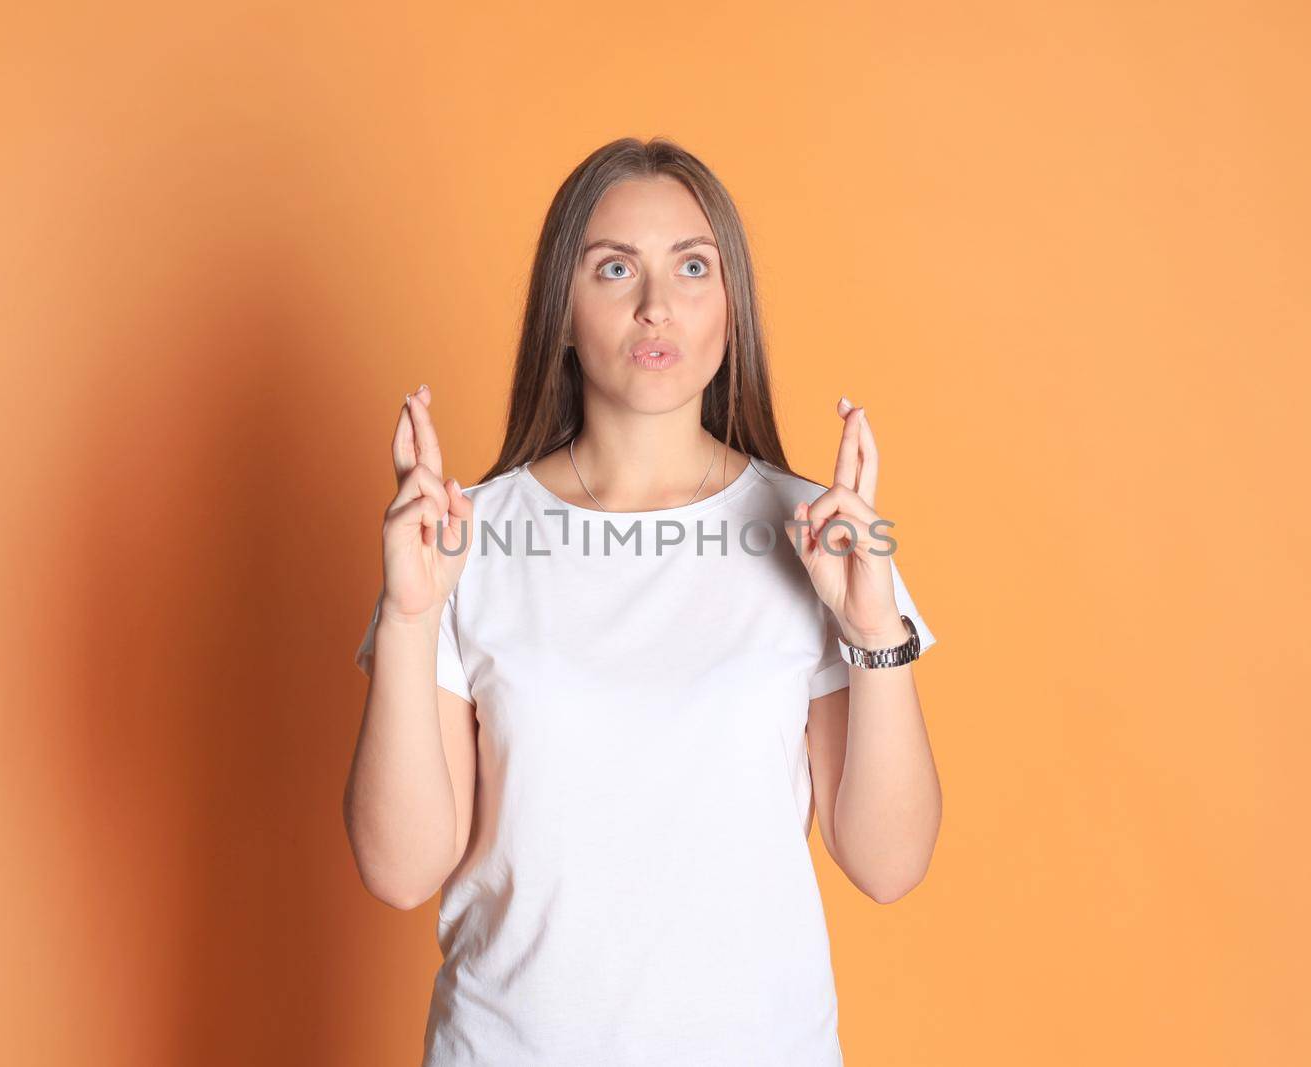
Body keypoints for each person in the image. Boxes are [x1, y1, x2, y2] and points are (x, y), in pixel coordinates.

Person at [343, 137, 941, 1067]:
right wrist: (413, 615)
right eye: (615, 267)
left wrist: (874, 629)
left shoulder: (818, 536)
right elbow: (400, 868)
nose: (656, 304)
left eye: (692, 267)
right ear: (563, 311)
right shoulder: (468, 538)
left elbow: (889, 863)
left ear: (730, 306)